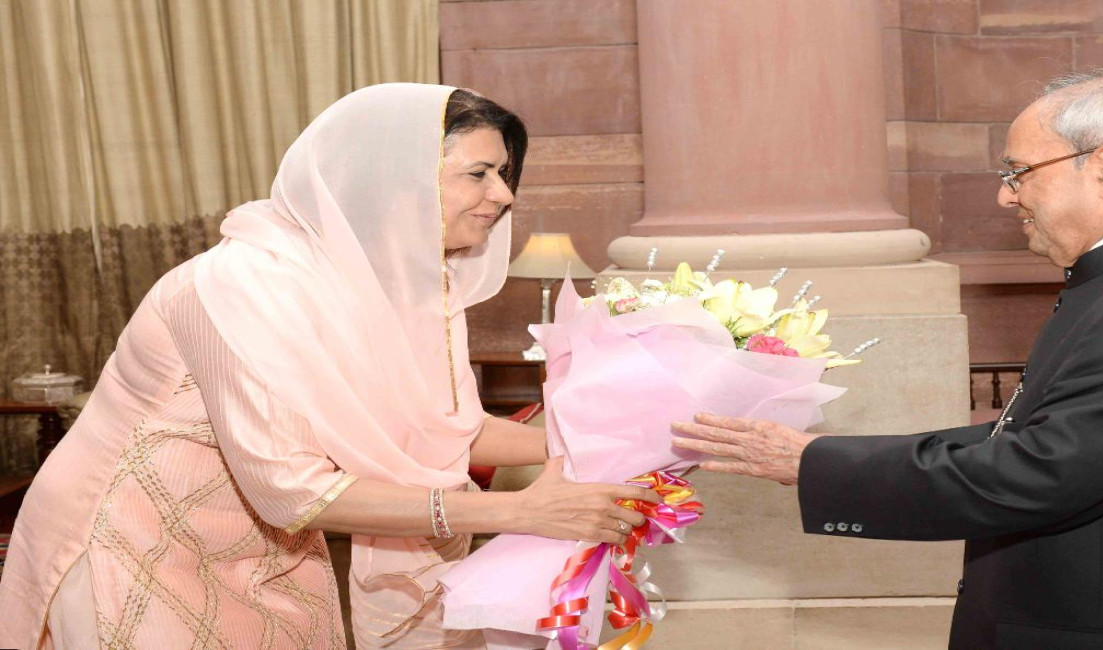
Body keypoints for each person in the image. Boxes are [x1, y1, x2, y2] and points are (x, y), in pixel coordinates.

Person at [673, 68, 1103, 648]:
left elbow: (1039, 472)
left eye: (1018, 172)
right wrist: (823, 456)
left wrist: (811, 466)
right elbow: (1042, 437)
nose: (1005, 194)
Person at [0, 83, 656, 649]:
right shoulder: (246, 282)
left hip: (273, 547)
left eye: (504, 174)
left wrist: (612, 440)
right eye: (479, 173)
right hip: (137, 537)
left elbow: (452, 426)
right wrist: (518, 512)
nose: (503, 194)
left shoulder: (411, 286)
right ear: (393, 178)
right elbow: (291, 489)